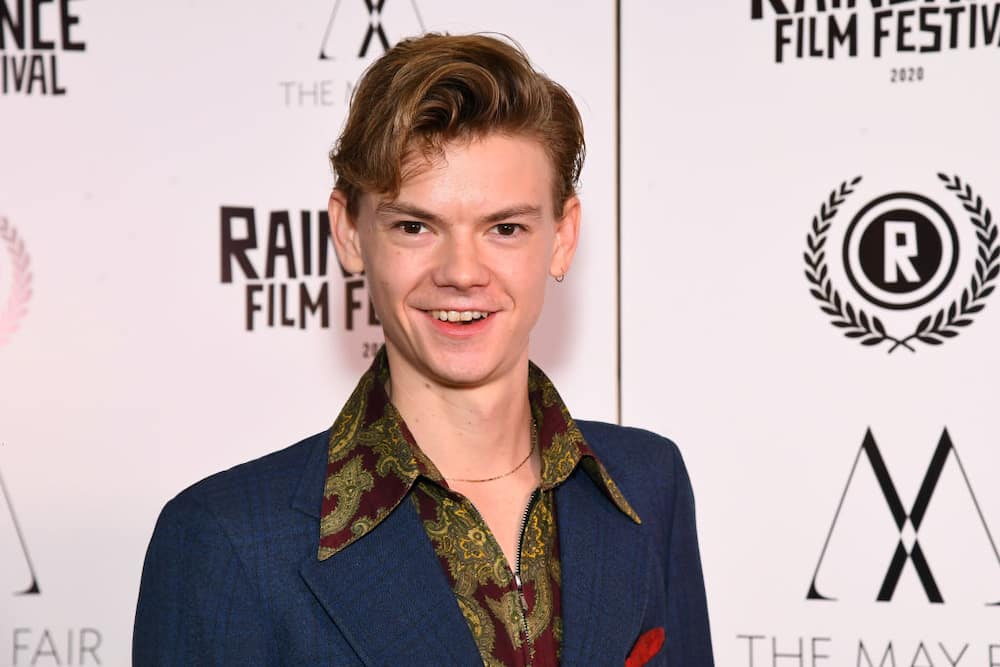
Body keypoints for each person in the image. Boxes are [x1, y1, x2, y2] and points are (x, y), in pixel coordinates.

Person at [133, 33, 713, 666]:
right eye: (415, 226)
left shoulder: (649, 484)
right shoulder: (226, 540)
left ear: (563, 236)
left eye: (505, 228)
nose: (462, 271)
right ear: (350, 233)